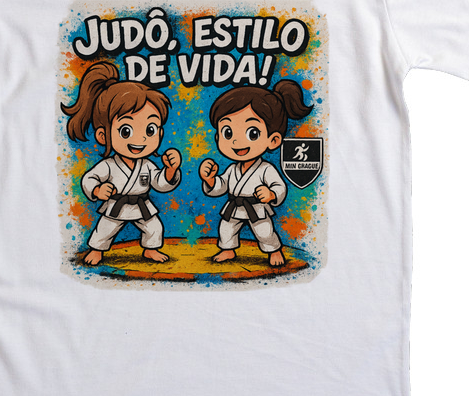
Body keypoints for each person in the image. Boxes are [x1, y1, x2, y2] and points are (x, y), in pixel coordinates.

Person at [62, 61, 181, 265]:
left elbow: (159, 183)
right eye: (126, 130)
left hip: (142, 205)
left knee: (154, 227)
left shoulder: (147, 165)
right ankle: (96, 251)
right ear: (103, 135)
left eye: (150, 130)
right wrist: (97, 190)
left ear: (160, 133)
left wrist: (170, 171)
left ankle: (151, 250)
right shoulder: (108, 165)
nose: (140, 139)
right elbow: (89, 178)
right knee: (105, 229)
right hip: (116, 205)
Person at [199, 81, 312, 266]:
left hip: (256, 207)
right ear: (218, 137)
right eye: (228, 132)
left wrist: (271, 194)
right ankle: (227, 250)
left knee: (264, 231)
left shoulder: (265, 169)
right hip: (234, 206)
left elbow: (279, 186)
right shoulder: (232, 169)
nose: (236, 141)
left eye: (252, 133)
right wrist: (210, 180)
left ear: (273, 140)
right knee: (226, 229)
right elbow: (222, 185)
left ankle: (274, 251)